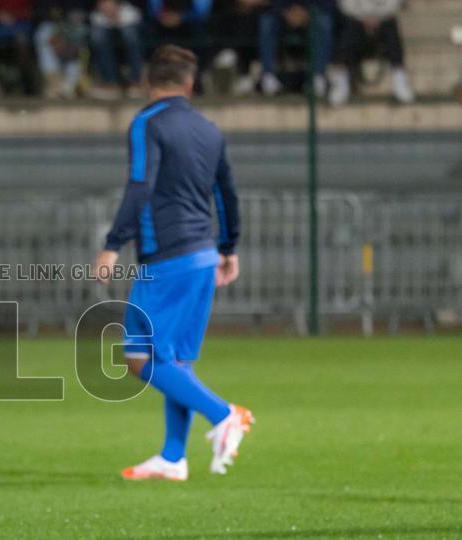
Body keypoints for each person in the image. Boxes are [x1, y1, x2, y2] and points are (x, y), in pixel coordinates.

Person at [93, 44, 253, 482]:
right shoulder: (208, 129)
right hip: (203, 254)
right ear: (189, 84)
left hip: (166, 257)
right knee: (176, 362)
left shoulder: (148, 123)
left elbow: (140, 185)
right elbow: (226, 193)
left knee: (137, 357)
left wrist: (112, 243)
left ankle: (224, 414)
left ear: (148, 82)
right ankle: (172, 456)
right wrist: (229, 247)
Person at [329, 0, 413, 105]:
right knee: (348, 30)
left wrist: (377, 18)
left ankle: (400, 79)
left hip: (382, 21)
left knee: (391, 27)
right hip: (356, 21)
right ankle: (340, 81)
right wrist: (363, 18)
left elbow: (393, 4)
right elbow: (345, 5)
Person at [258, 0, 332, 97]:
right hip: (283, 16)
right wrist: (285, 12)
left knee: (324, 21)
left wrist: (307, 12)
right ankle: (268, 76)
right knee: (266, 22)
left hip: (311, 15)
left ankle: (317, 77)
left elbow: (329, 3)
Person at [88, 0, 143, 99]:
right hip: (104, 31)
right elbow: (95, 18)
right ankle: (110, 82)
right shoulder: (97, 16)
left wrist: (117, 18)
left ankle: (136, 82)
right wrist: (108, 16)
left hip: (129, 26)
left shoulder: (129, 11)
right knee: (98, 38)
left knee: (131, 37)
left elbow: (136, 17)